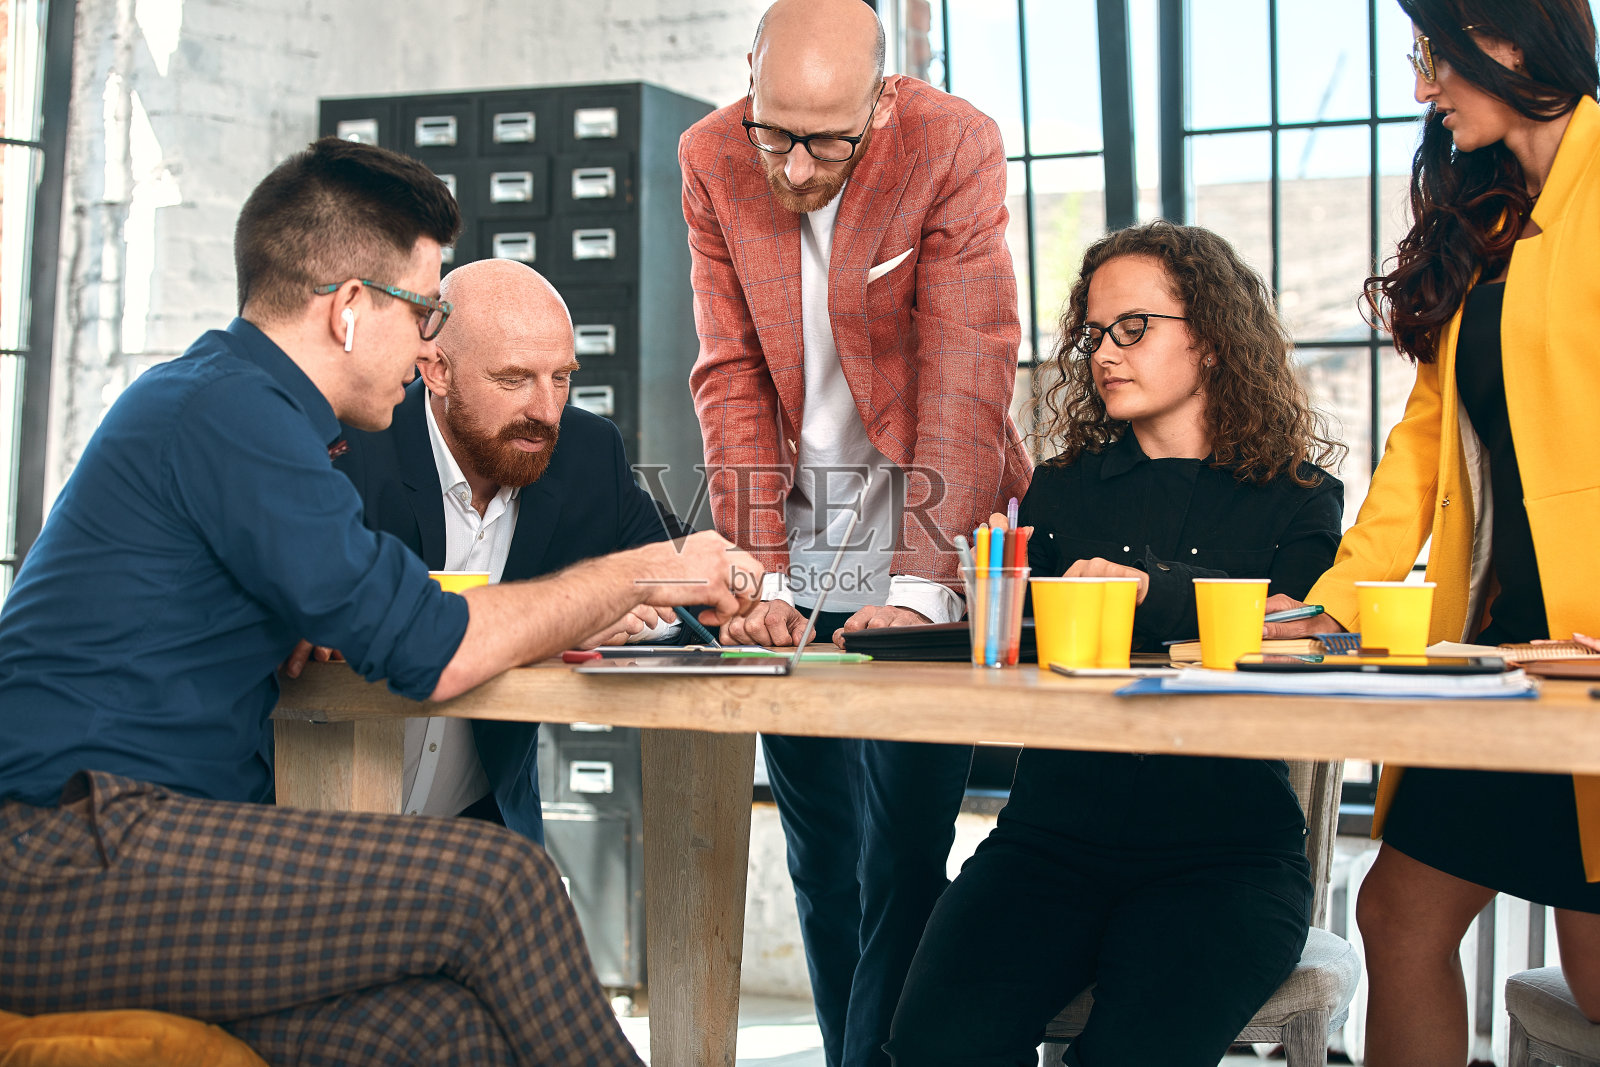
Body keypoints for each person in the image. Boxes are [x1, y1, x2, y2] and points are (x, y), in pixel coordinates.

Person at [0, 137, 760, 1066]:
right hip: (63, 853)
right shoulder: (229, 412)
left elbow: (374, 603)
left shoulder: (258, 414)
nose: (429, 340)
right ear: (352, 309)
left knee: (451, 1035)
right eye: (426, 309)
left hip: (163, 847)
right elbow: (428, 645)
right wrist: (648, 571)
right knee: (505, 884)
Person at [886, 221, 1345, 1067]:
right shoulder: (1059, 490)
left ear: (1210, 338)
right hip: (1049, 843)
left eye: (1132, 328)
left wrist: (1150, 590)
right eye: (1094, 333)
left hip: (1226, 857)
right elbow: (1029, 648)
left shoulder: (1300, 498)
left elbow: (1296, 629)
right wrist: (946, 617)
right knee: (929, 1047)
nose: (1104, 352)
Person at [680, 1, 1032, 1062]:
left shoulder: (950, 142)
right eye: (771, 130)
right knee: (820, 847)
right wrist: (758, 577)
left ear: (881, 100)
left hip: (922, 533)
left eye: (823, 142)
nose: (790, 167)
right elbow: (731, 372)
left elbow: (968, 372)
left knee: (904, 849)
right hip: (792, 539)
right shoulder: (711, 153)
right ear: (747, 78)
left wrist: (921, 589)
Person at [1264, 3, 1600, 1061]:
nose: (1421, 89)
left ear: (1502, 40)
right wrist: (1327, 606)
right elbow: (1419, 453)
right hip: (1507, 655)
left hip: (1592, 664)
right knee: (1399, 914)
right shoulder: (1495, 220)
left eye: (1429, 58)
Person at [330, 258, 693, 845]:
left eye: (561, 377)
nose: (547, 411)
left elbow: (680, 569)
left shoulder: (585, 451)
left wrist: (739, 593)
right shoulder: (354, 446)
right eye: (514, 379)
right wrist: (564, 614)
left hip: (481, 833)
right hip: (316, 822)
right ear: (435, 370)